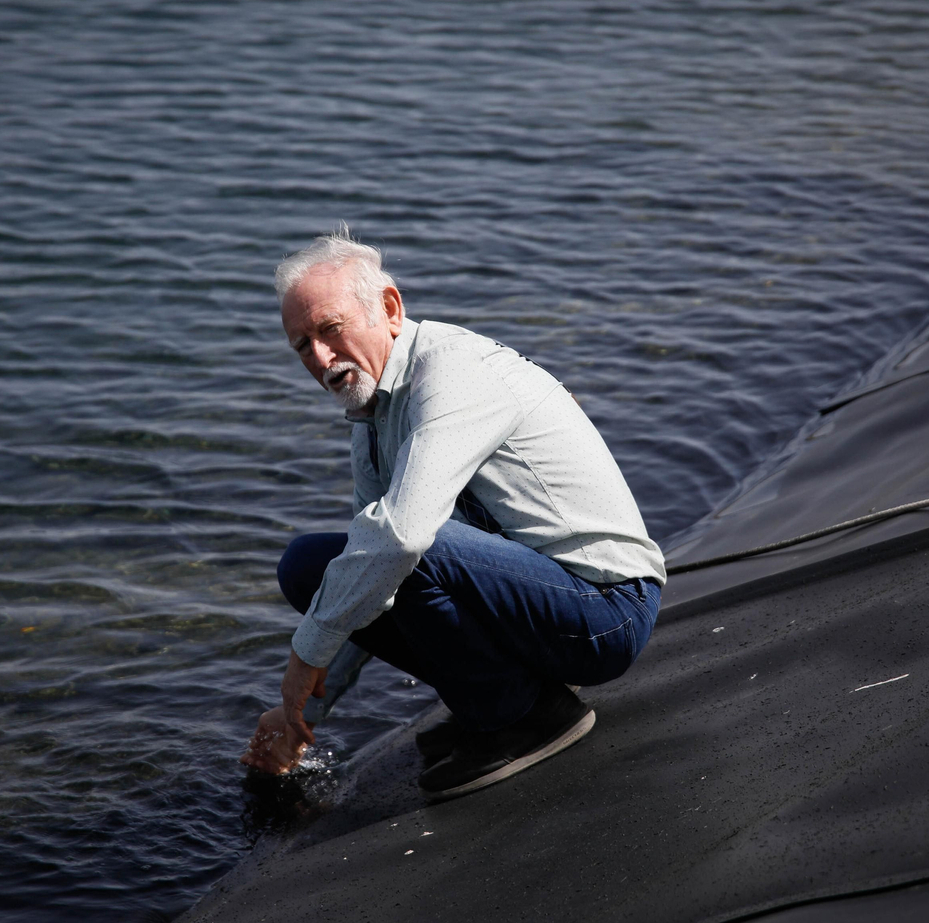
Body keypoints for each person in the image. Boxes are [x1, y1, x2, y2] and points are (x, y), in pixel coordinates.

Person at [239, 228, 666, 799]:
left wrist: (302, 657)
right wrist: (303, 714)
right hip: (534, 602)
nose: (320, 358)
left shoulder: (451, 372)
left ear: (389, 308)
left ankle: (526, 717)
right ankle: (499, 702)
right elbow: (368, 579)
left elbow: (403, 539)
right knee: (314, 565)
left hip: (607, 610)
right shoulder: (372, 417)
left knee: (406, 542)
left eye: (330, 330)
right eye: (302, 345)